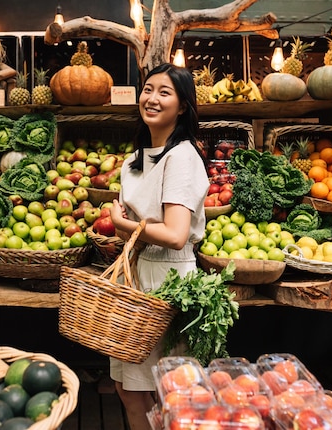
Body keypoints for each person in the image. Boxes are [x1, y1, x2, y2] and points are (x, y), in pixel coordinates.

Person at [108, 63, 210, 430]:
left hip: (168, 280)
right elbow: (136, 229)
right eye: (148, 89)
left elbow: (176, 234)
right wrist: (121, 224)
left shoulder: (182, 157)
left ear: (182, 106)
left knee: (172, 390)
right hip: (136, 277)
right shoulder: (132, 163)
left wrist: (124, 224)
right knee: (127, 388)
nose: (151, 98)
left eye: (164, 92)